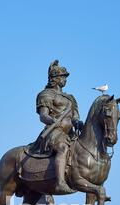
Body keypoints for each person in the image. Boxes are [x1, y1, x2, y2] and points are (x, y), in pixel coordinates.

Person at [34, 60, 84, 194]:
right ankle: (60, 183)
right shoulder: (46, 94)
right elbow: (43, 116)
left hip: (71, 133)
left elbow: (75, 118)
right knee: (62, 148)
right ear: (54, 79)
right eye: (62, 76)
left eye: (65, 77)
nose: (64, 79)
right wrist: (53, 120)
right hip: (55, 131)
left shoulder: (70, 98)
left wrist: (79, 123)